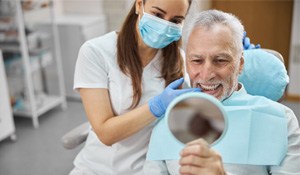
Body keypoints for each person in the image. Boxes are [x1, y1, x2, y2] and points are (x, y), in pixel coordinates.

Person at [144, 9, 300, 175]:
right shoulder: (167, 122)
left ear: (240, 64)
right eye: (197, 60)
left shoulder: (281, 120)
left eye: (220, 60)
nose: (207, 74)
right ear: (186, 64)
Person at [70, 0, 201, 174]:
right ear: (139, 5)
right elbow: (105, 133)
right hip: (98, 168)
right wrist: (157, 106)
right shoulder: (96, 52)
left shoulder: (179, 60)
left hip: (147, 169)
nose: (164, 25)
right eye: (157, 15)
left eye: (175, 21)